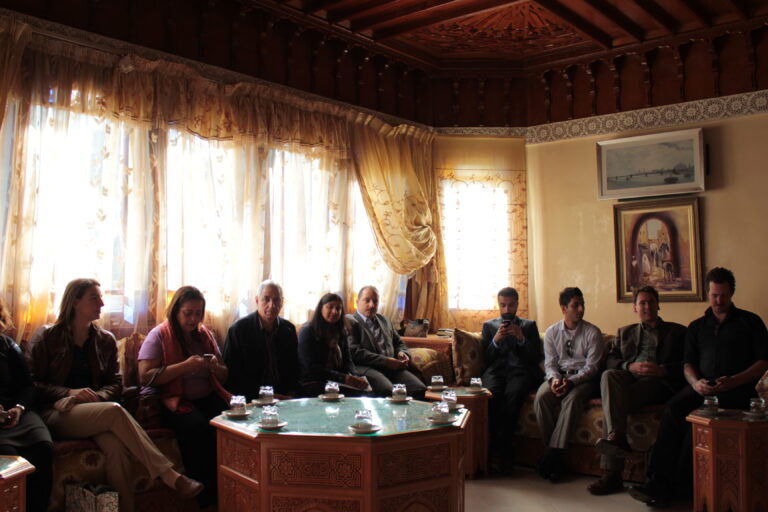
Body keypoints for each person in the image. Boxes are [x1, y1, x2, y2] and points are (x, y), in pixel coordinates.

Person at [29, 278, 203, 512]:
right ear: (75, 302)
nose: (102, 303)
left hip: (95, 412)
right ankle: (170, 475)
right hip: (57, 412)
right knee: (113, 411)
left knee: (116, 449)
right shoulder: (47, 337)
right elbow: (32, 384)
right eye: (94, 298)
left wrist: (98, 397)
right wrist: (69, 392)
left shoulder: (105, 340)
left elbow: (116, 384)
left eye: (101, 298)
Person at [630, 268, 768, 506]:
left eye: (723, 295)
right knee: (673, 410)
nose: (718, 300)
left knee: (694, 425)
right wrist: (695, 383)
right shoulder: (696, 327)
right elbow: (687, 364)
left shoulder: (751, 322)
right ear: (708, 293)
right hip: (702, 387)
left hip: (737, 388)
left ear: (732, 293)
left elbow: (764, 362)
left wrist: (735, 380)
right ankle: (656, 484)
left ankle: (680, 490)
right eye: (714, 295)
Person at [587, 286, 686, 495]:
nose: (647, 306)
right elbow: (610, 360)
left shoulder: (677, 332)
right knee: (609, 375)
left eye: (651, 302)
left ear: (658, 305)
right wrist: (629, 366)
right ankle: (617, 436)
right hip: (630, 377)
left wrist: (662, 370)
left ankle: (611, 474)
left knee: (613, 403)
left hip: (658, 382)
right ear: (635, 308)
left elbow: (687, 364)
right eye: (642, 303)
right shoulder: (625, 332)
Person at [138, 285, 229, 509]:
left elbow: (224, 374)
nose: (193, 319)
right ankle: (207, 499)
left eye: (198, 313)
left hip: (206, 396)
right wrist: (184, 367)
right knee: (196, 427)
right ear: (176, 311)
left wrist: (215, 367)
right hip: (172, 399)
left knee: (231, 422)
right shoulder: (159, 335)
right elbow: (145, 376)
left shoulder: (204, 335)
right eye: (188, 313)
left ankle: (234, 490)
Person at [534, 287, 604, 482]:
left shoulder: (593, 332)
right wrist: (555, 379)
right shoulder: (552, 332)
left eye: (582, 305)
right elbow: (550, 363)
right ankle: (555, 459)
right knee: (541, 397)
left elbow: (592, 368)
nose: (581, 309)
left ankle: (551, 457)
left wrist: (571, 382)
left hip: (583, 380)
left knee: (571, 400)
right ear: (564, 308)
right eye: (576, 305)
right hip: (559, 376)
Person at [481, 287, 543, 475]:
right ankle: (499, 452)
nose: (507, 310)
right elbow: (486, 360)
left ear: (517, 304)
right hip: (496, 372)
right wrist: (496, 341)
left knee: (513, 396)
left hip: (520, 372)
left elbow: (535, 358)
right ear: (499, 305)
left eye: (510, 305)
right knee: (491, 395)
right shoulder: (489, 326)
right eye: (503, 305)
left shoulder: (529, 326)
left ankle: (499, 452)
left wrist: (522, 338)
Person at [0, 298, 53, 512]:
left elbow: (28, 386)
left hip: (15, 412)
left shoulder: (6, 345)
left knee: (43, 447)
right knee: (7, 453)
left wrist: (19, 408)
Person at [223, 280, 300, 399]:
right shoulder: (238, 330)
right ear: (257, 300)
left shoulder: (288, 329)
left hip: (283, 395)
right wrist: (267, 396)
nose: (271, 305)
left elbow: (294, 368)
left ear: (282, 302)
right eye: (266, 299)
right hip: (250, 396)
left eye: (276, 300)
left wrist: (291, 394)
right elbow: (233, 376)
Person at [346, 286, 426, 399]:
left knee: (419, 388)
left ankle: (408, 411)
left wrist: (402, 353)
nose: (371, 305)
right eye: (367, 300)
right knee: (389, 391)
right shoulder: (350, 321)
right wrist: (386, 361)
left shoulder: (385, 320)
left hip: (392, 367)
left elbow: (399, 343)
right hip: (368, 368)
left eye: (375, 301)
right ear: (357, 302)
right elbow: (355, 352)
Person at [298, 293, 369, 396]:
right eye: (330, 307)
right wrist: (343, 378)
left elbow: (348, 360)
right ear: (321, 308)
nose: (334, 311)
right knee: (354, 395)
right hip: (313, 381)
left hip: (336, 380)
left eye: (338, 308)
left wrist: (355, 377)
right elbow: (310, 367)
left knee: (366, 392)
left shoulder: (341, 331)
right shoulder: (308, 331)